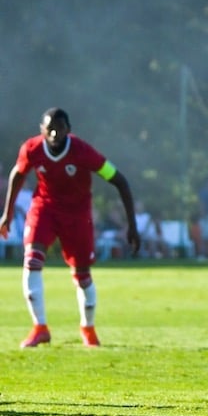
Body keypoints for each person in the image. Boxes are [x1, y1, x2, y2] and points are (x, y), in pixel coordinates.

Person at [0, 108, 140, 347]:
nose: (55, 132)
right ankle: (40, 327)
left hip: (77, 215)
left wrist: (132, 226)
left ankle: (88, 330)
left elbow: (120, 180)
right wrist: (7, 213)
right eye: (49, 128)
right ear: (42, 129)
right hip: (44, 208)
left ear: (69, 129)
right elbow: (18, 174)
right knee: (32, 260)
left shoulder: (83, 152)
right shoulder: (32, 148)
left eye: (60, 127)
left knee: (83, 275)